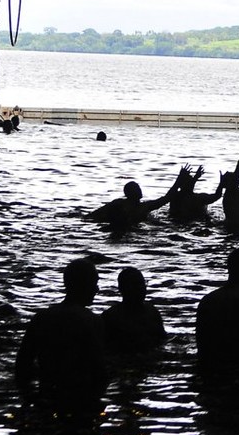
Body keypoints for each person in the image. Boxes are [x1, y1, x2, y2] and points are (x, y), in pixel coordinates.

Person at [15, 258, 108, 411]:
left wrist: (29, 398)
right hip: (80, 399)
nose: (96, 289)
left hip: (46, 395)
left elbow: (22, 365)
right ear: (83, 285)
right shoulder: (92, 321)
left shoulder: (41, 318)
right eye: (94, 283)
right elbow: (99, 371)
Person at [101, 266, 166, 354]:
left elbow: (163, 339)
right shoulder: (111, 317)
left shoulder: (152, 312)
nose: (140, 288)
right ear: (122, 288)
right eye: (135, 284)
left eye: (142, 283)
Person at [88, 176, 178, 228]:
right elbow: (96, 213)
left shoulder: (144, 205)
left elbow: (165, 199)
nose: (139, 190)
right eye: (136, 189)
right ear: (129, 193)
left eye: (138, 187)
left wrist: (178, 182)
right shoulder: (120, 204)